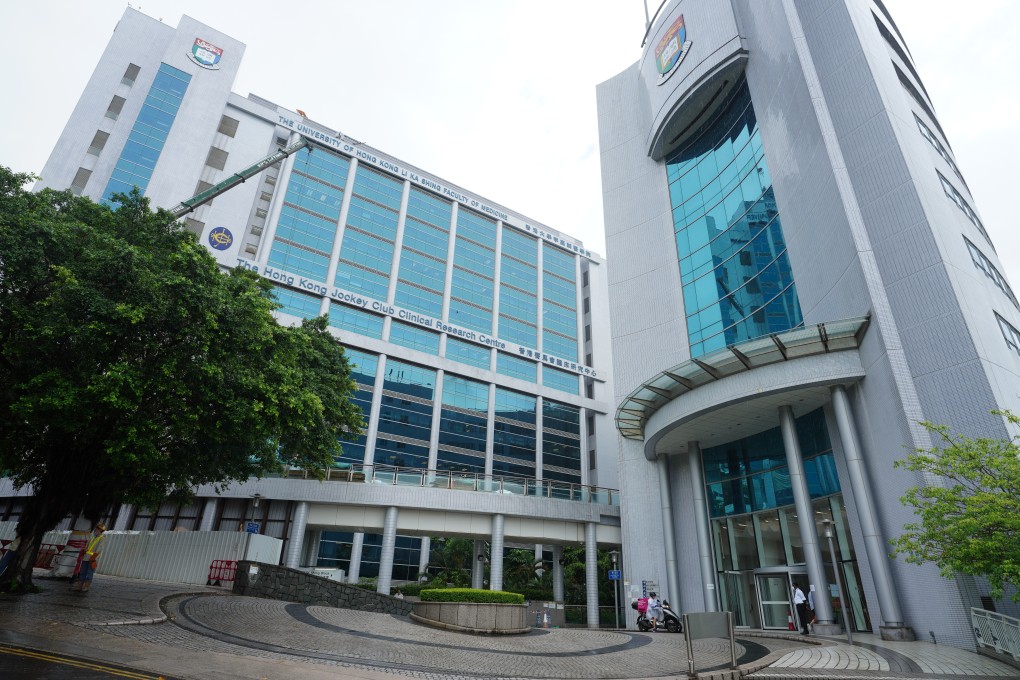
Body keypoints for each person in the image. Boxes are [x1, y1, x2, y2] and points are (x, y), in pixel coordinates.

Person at [71, 523, 106, 593]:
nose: (95, 530)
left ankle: (86, 586)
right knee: (82, 572)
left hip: (93, 559)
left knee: (89, 573)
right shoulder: (92, 537)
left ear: (100, 530)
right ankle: (79, 586)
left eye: (97, 529)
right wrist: (84, 550)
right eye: (96, 529)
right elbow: (87, 545)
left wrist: (93, 558)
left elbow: (99, 550)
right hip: (86, 557)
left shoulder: (102, 538)